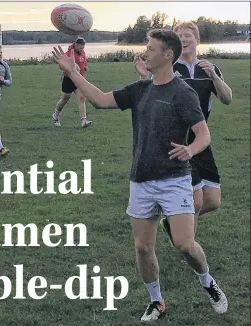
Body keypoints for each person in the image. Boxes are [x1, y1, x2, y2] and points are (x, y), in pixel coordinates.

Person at [52, 29, 228, 322]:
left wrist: (191, 149)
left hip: (175, 179)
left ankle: (208, 282)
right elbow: (99, 100)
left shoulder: (182, 93)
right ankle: (156, 301)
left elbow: (203, 134)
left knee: (184, 244)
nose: (145, 52)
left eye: (151, 47)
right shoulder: (140, 89)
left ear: (167, 54)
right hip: (141, 180)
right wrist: (72, 72)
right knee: (143, 247)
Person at [133, 22, 233, 242]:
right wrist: (143, 76)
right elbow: (149, 96)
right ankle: (187, 246)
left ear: (197, 39)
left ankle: (173, 220)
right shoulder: (169, 67)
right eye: (179, 36)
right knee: (195, 201)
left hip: (200, 140)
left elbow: (227, 99)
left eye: (188, 35)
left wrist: (215, 78)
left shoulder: (208, 68)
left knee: (213, 201)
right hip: (176, 144)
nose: (184, 39)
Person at [52, 37, 92, 128]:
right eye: (81, 47)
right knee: (64, 99)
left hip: (79, 79)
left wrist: (85, 67)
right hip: (69, 80)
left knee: (81, 98)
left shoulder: (83, 53)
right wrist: (71, 67)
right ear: (76, 45)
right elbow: (61, 64)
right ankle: (55, 116)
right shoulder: (69, 54)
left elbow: (84, 62)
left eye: (83, 48)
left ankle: (84, 120)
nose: (82, 49)